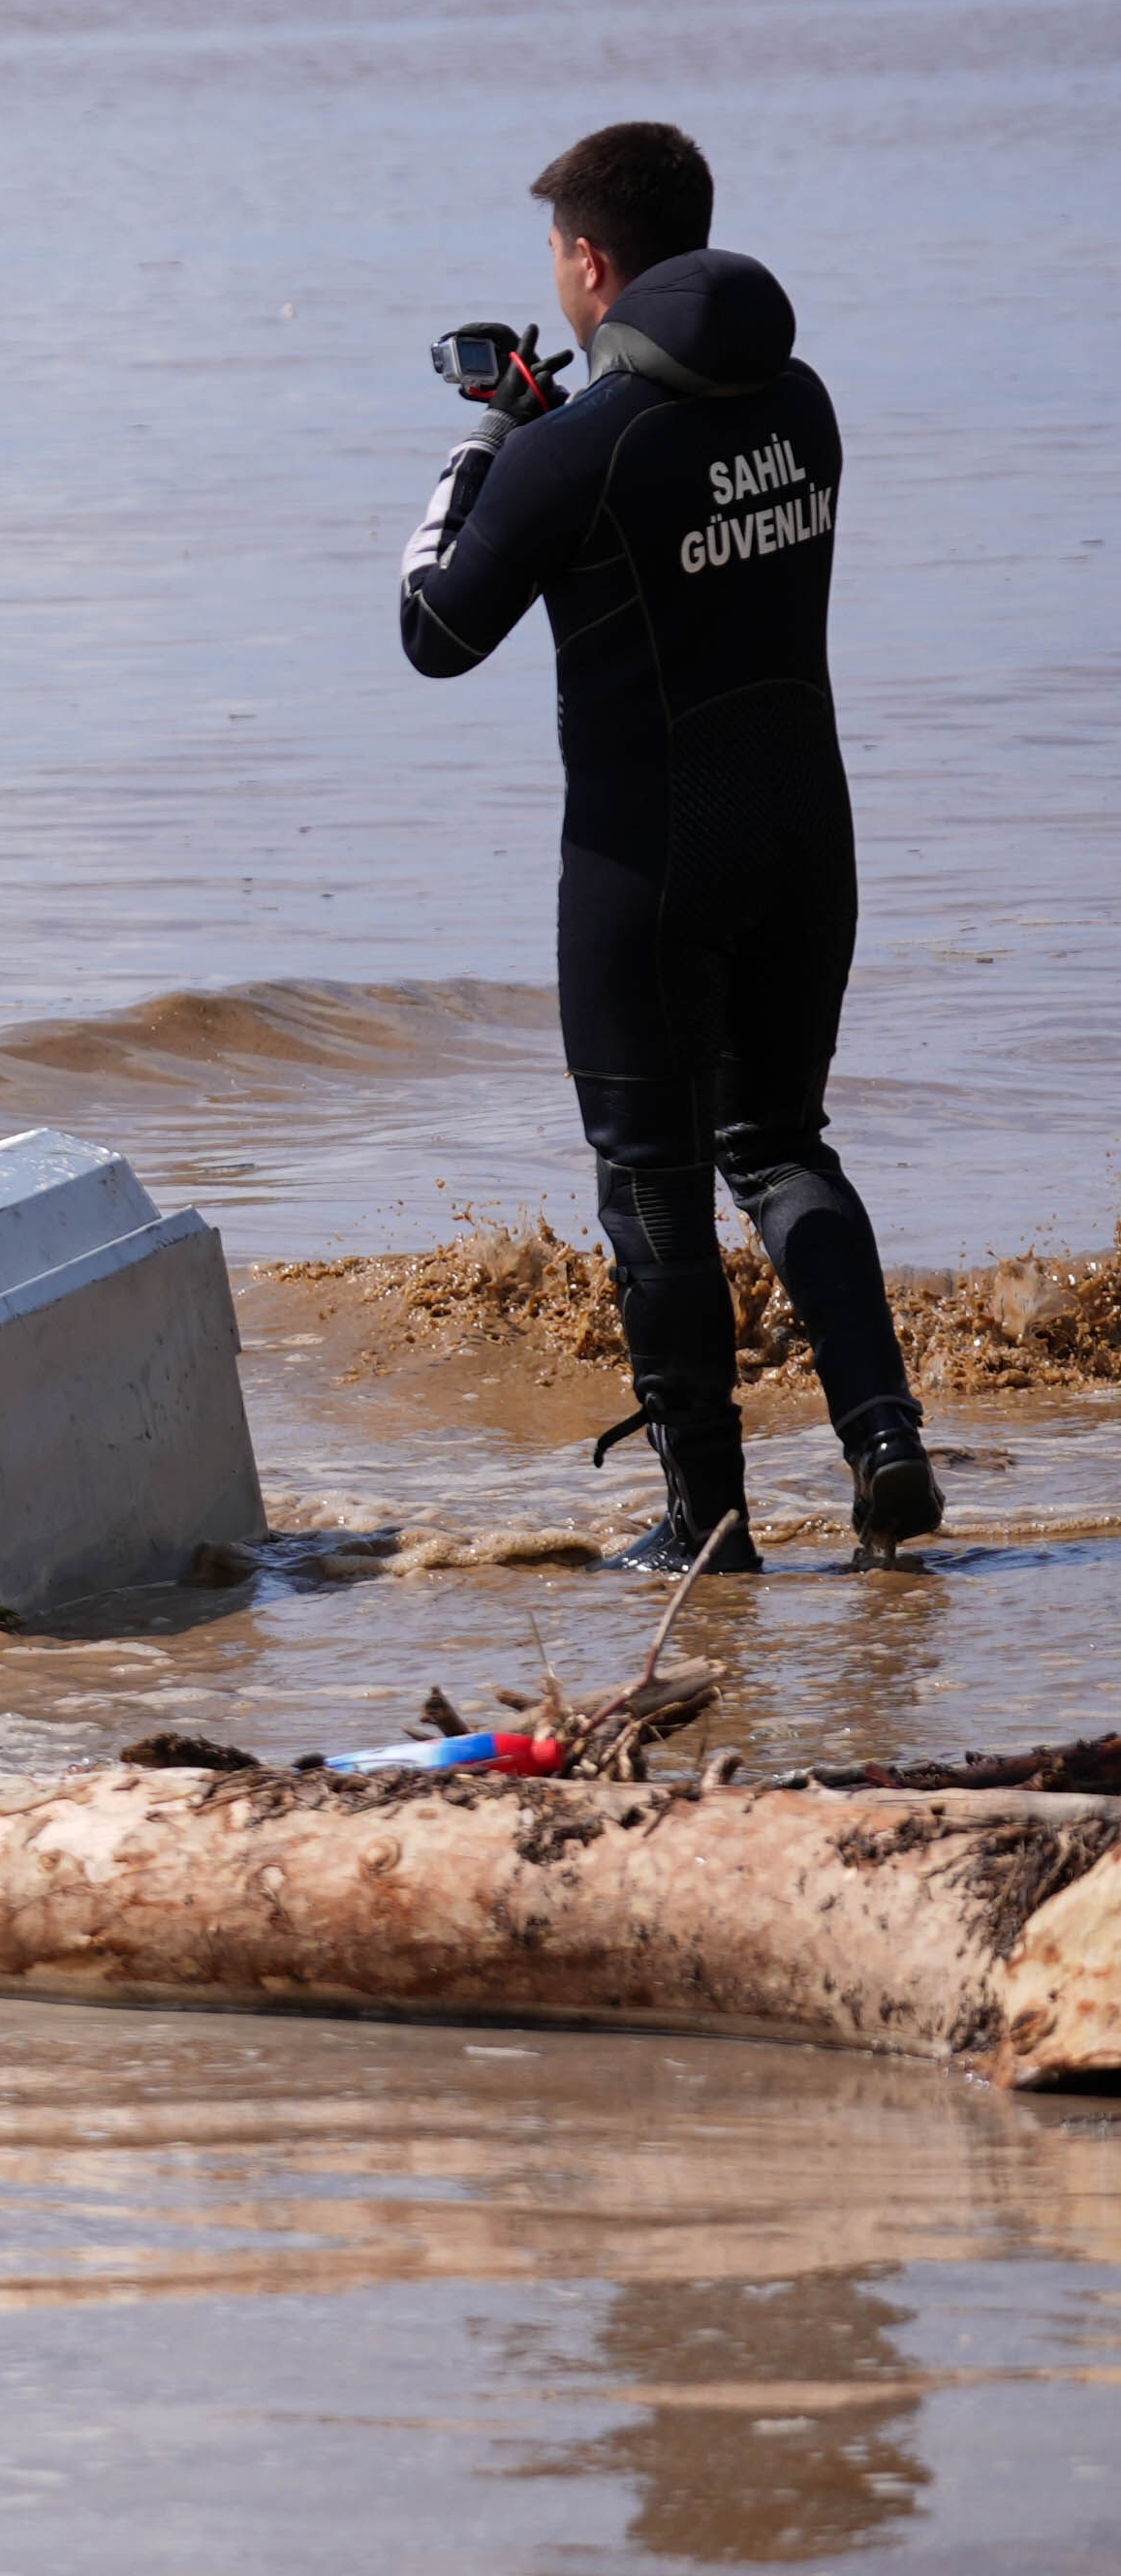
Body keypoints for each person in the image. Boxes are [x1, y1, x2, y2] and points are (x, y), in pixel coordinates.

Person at [399, 121, 935, 1570]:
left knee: (650, 1177)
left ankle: (709, 1524)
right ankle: (885, 1436)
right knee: (779, 1144)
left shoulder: (571, 451)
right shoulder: (807, 405)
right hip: (808, 834)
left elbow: (434, 633)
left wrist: (486, 434)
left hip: (648, 860)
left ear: (587, 262)